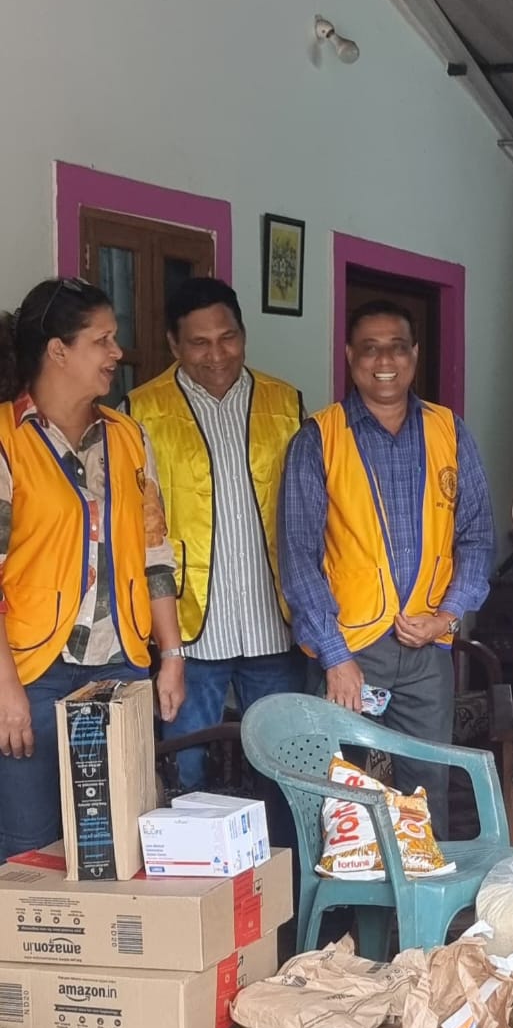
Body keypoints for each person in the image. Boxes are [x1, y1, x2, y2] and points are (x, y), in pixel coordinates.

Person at [278, 299, 494, 834]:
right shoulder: (319, 438)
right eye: (370, 348)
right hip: (350, 651)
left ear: (414, 354)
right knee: (346, 795)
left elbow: (477, 536)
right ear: (350, 356)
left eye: (397, 346)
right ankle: (350, 916)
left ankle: (423, 911)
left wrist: (448, 616)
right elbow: (299, 557)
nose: (384, 360)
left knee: (426, 790)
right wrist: (335, 657)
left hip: (425, 647)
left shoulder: (449, 431)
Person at [0, 277, 185, 859]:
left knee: (118, 844)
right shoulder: (7, 440)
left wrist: (170, 654)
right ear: (58, 351)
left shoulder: (129, 438)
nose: (117, 353)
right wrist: (5, 689)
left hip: (119, 665)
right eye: (102, 340)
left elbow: (154, 550)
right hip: (33, 670)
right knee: (32, 848)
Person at [124, 278, 303, 790]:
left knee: (286, 768)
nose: (216, 354)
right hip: (188, 628)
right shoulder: (140, 412)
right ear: (173, 345)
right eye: (199, 343)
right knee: (186, 771)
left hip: (276, 624)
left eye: (227, 338)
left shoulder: (285, 403)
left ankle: (280, 870)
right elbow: (137, 528)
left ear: (244, 335)